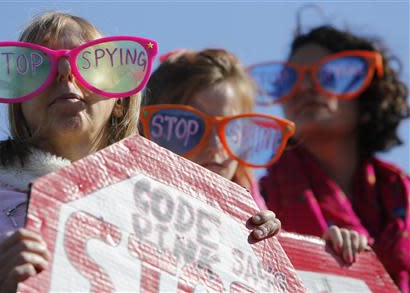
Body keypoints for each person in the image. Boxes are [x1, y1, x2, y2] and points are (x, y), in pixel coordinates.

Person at [0, 11, 157, 292]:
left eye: (91, 64)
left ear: (120, 102)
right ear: (20, 103)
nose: (66, 73)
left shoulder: (159, 226)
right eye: (38, 67)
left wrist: (238, 253)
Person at [254, 25, 410, 291]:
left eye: (330, 75)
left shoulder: (403, 195)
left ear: (367, 101)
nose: (304, 87)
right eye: (289, 80)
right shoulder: (258, 203)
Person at [142, 48, 296, 244]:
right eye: (190, 127)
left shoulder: (254, 216)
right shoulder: (124, 199)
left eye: (232, 129)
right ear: (148, 131)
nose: (216, 146)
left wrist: (273, 244)